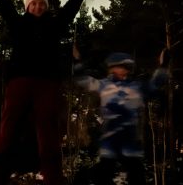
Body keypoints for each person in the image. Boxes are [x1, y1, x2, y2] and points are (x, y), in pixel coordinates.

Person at [0, 0, 98, 185]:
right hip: (19, 83)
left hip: (47, 84)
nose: (38, 6)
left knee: (48, 136)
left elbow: (71, 7)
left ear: (46, 7)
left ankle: (54, 179)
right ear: (27, 6)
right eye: (34, 3)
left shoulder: (55, 25)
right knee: (7, 133)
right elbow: (3, 1)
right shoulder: (18, 23)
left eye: (42, 3)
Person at [72, 49, 169, 185]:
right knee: (103, 176)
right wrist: (77, 61)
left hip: (130, 140)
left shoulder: (136, 87)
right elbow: (82, 80)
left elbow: (155, 85)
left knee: (137, 176)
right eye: (120, 66)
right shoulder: (104, 85)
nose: (124, 70)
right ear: (112, 68)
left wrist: (163, 66)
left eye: (126, 67)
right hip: (110, 140)